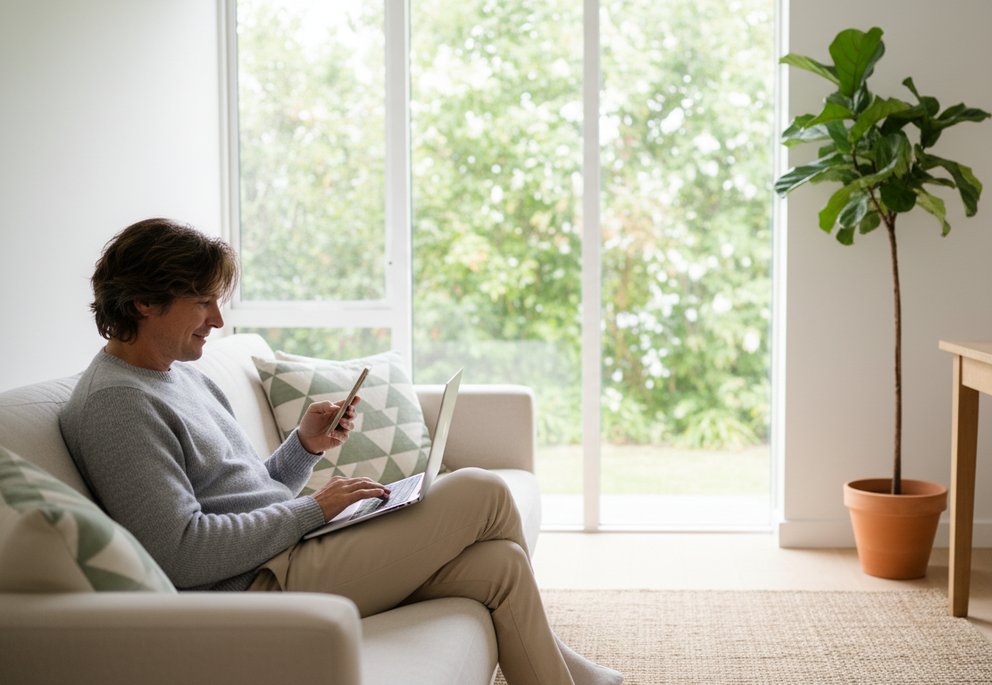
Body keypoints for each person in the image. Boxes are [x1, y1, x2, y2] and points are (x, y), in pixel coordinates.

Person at [59, 218, 622, 685]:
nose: (218, 320)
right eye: (203, 302)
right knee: (483, 491)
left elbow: (240, 493)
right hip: (257, 585)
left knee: (497, 564)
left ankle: (565, 674)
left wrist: (303, 447)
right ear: (143, 303)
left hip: (287, 551)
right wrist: (314, 510)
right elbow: (180, 551)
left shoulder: (176, 374)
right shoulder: (117, 405)